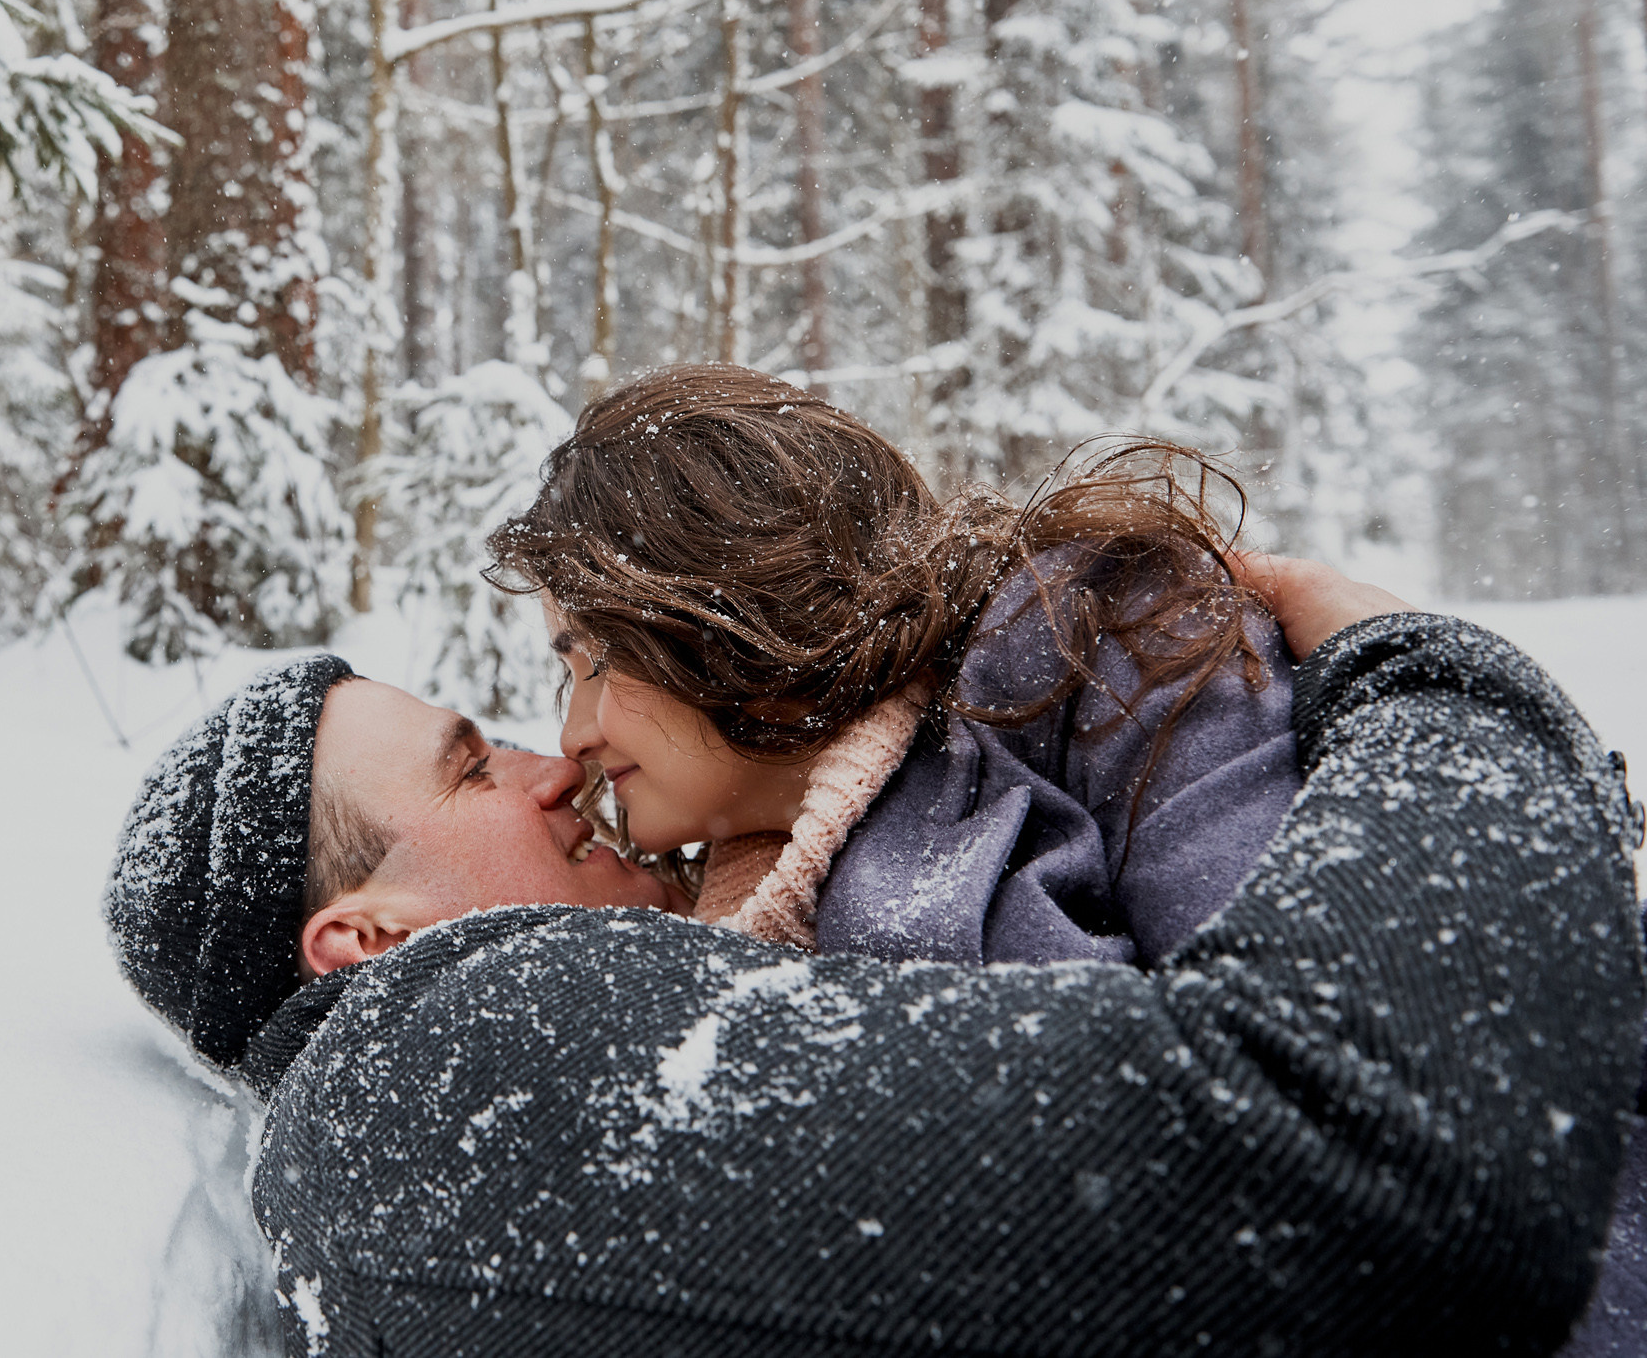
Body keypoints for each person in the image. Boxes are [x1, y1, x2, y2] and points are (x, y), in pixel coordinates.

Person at [104, 562, 1644, 1354]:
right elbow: (1370, 1162)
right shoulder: (428, 1073)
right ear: (360, 936)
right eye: (467, 768)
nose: (549, 763)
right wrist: (1436, 684)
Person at [493, 364, 1301, 965]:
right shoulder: (744, 914)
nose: (573, 739)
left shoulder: (1093, 641)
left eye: (599, 662)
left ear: (727, 615)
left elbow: (1322, 1019)